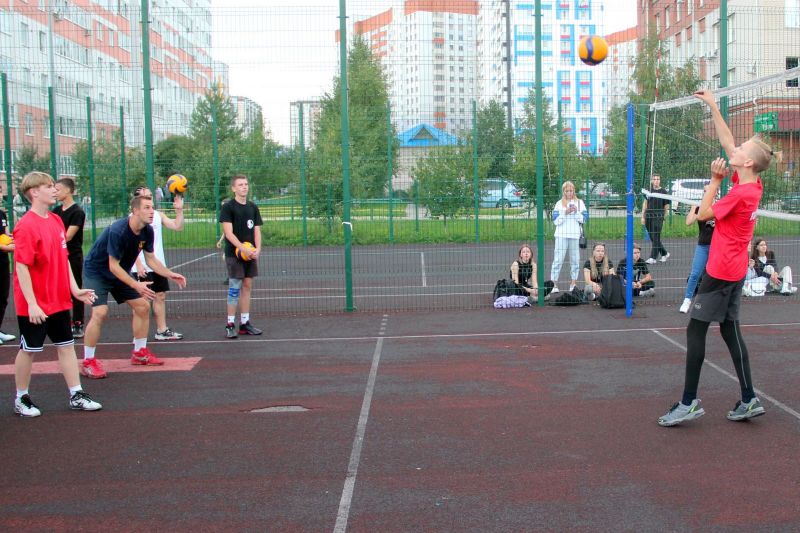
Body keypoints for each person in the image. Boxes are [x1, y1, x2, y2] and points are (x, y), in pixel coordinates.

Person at [658, 88, 780, 427]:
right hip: (735, 269)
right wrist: (712, 104)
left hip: (721, 270)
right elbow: (728, 142)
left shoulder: (739, 193)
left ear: (748, 163)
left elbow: (702, 215)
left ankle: (688, 402)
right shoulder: (753, 184)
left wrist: (714, 181)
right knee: (730, 330)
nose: (734, 150)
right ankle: (749, 398)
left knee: (695, 331)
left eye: (741, 150)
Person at [11, 171, 101, 417]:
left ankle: (76, 394)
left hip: (58, 300)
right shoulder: (25, 226)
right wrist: (32, 304)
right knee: (29, 349)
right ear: (34, 192)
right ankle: (21, 398)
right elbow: (21, 267)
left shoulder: (56, 221)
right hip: (35, 303)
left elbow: (64, 260)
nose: (54, 189)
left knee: (67, 346)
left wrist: (75, 290)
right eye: (48, 186)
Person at [80, 194, 187, 379]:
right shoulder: (118, 230)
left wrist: (169, 273)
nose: (152, 211)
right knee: (100, 312)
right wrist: (136, 284)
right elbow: (113, 266)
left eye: (152, 207)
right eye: (147, 208)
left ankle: (139, 353)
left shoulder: (147, 231)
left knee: (143, 307)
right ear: (135, 210)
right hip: (97, 272)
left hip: (118, 271)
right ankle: (88, 361)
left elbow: (151, 259)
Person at [131, 186, 185, 340]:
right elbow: (129, 244)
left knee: (160, 296)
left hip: (157, 264)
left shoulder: (157, 215)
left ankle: (162, 330)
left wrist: (179, 210)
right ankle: (139, 335)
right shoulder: (132, 218)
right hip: (141, 266)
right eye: (145, 197)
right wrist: (138, 264)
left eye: (150, 196)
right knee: (142, 302)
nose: (149, 199)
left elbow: (178, 227)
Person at [220, 174, 263, 339]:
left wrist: (257, 249)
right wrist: (241, 248)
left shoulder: (253, 207)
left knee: (247, 286)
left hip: (249, 254)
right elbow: (228, 233)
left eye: (246, 184)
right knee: (234, 287)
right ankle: (230, 324)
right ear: (233, 188)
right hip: (234, 254)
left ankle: (245, 323)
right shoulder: (228, 207)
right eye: (240, 185)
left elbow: (257, 230)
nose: (244, 187)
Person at [53, 178, 87, 337]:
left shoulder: (77, 212)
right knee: (59, 290)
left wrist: (50, 240)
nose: (55, 192)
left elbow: (67, 236)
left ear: (67, 190)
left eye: (58, 189)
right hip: (57, 256)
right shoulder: (56, 211)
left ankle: (78, 323)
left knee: (76, 290)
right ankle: (62, 322)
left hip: (72, 257)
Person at [550, 181, 587, 294]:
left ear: (574, 191)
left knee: (575, 260)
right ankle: (553, 284)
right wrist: (565, 213)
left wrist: (576, 212)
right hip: (561, 235)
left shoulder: (579, 203)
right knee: (558, 260)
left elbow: (584, 219)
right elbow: (556, 221)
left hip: (575, 236)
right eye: (567, 191)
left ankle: (573, 283)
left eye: (571, 190)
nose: (569, 193)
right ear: (564, 192)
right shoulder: (558, 204)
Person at [679, 199, 715, 313]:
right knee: (695, 274)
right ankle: (687, 300)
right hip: (703, 246)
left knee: (713, 275)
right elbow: (688, 222)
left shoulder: (719, 206)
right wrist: (694, 208)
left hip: (717, 247)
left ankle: (712, 301)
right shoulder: (700, 206)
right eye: (705, 191)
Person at [640, 174, 671, 264]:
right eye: (654, 179)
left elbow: (666, 206)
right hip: (648, 216)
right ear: (652, 181)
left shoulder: (663, 192)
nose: (656, 181)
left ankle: (653, 258)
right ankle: (664, 253)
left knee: (656, 236)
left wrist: (664, 217)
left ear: (660, 180)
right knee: (653, 237)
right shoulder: (649, 190)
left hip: (658, 216)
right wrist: (642, 216)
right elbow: (645, 203)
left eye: (658, 179)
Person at [0, 183, 17, 345]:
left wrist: (13, 240)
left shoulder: (1, 214)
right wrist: (6, 247)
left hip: (3, 261)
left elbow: (4, 235)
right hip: (3, 252)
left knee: (3, 296)